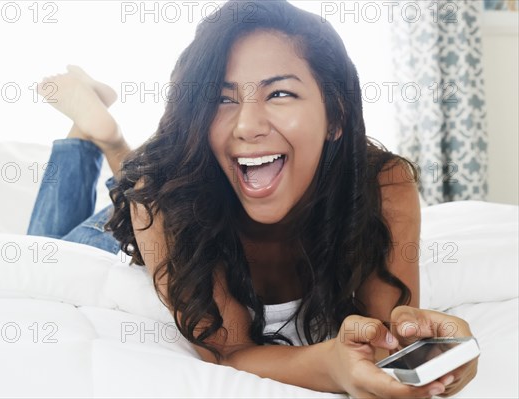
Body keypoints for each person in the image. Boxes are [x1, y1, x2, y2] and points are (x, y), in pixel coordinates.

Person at [28, 1, 477, 397]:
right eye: (223, 99)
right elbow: (229, 353)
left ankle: (106, 136)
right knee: (42, 249)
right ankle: (103, 136)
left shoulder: (383, 182)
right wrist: (333, 365)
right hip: (132, 226)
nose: (246, 125)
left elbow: (391, 327)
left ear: (336, 113)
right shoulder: (160, 196)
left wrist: (425, 342)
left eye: (280, 93)